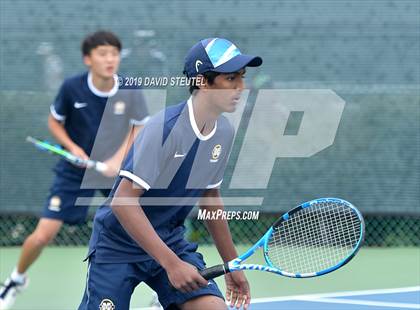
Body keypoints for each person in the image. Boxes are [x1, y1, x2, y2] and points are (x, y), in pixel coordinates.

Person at [78, 37, 262, 310]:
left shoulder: (223, 132)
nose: (240, 87)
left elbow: (210, 197)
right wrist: (172, 264)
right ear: (202, 81)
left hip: (169, 239)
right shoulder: (163, 129)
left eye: (242, 78)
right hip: (118, 245)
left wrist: (232, 265)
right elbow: (122, 201)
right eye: (231, 78)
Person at [0, 31, 149, 310]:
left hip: (115, 172)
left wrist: (118, 161)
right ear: (88, 59)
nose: (110, 59)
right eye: (103, 54)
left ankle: (162, 289)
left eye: (114, 54)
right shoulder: (72, 88)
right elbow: (54, 122)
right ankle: (16, 279)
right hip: (73, 171)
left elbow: (139, 127)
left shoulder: (130, 88)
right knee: (44, 233)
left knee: (144, 226)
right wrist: (73, 148)